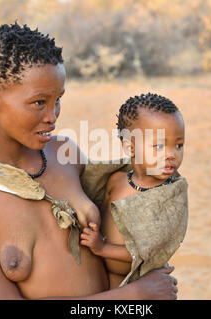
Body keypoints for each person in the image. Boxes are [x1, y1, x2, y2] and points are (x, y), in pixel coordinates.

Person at [0, 23, 177, 300]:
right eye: (39, 102)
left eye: (57, 99)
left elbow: (125, 212)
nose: (53, 116)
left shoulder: (65, 154)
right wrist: (134, 296)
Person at [80, 93, 188, 289]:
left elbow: (147, 252)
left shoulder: (167, 198)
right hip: (102, 274)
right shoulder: (115, 181)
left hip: (139, 282)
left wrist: (103, 248)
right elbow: (101, 215)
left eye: (179, 145)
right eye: (160, 146)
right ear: (130, 147)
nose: (172, 154)